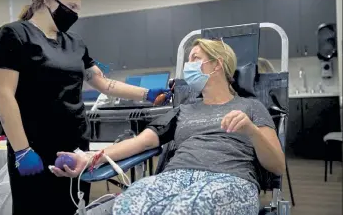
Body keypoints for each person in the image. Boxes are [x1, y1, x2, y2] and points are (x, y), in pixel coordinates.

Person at [0, 0, 170, 215]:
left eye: (77, 9)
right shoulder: (13, 35)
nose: (74, 14)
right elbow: (4, 94)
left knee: (71, 207)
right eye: (71, 7)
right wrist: (21, 150)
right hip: (34, 148)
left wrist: (147, 93)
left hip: (76, 148)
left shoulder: (74, 42)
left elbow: (103, 83)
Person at [54, 38, 286, 214]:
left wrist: (251, 131)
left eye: (195, 58)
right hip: (175, 177)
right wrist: (90, 157)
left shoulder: (251, 107)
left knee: (184, 209)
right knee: (130, 204)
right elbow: (140, 143)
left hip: (230, 179)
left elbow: (276, 165)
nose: (188, 65)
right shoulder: (182, 110)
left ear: (217, 65)